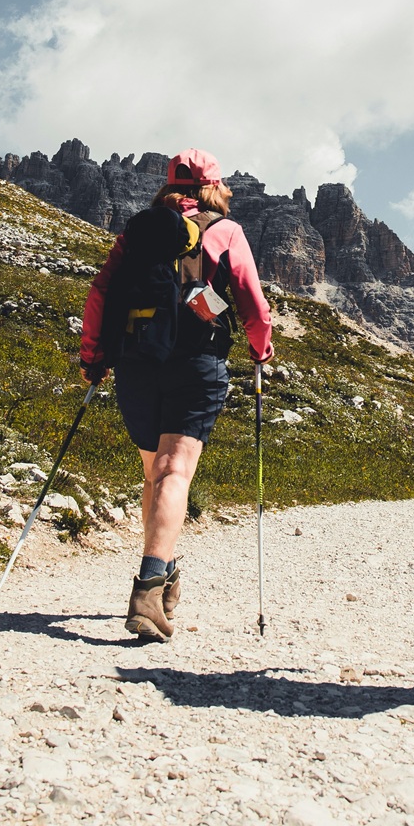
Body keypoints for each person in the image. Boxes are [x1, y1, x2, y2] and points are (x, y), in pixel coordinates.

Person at [79, 149, 274, 641]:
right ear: (214, 187)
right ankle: (148, 588)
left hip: (136, 362)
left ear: (169, 186)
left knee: (156, 473)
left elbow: (100, 294)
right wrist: (260, 349)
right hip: (195, 360)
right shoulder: (225, 231)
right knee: (175, 472)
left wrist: (93, 358)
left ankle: (164, 573)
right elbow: (252, 302)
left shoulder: (136, 233)